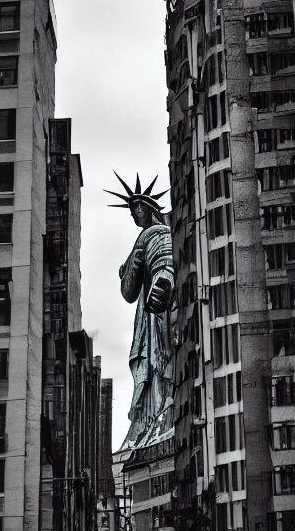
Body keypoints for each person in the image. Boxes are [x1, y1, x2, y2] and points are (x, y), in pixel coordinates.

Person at [106, 173, 175, 448]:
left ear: (149, 210)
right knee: (156, 368)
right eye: (132, 211)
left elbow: (161, 264)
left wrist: (159, 281)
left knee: (158, 366)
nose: (135, 215)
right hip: (150, 315)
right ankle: (154, 418)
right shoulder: (149, 236)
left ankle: (157, 419)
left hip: (155, 314)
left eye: (138, 209)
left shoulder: (154, 234)